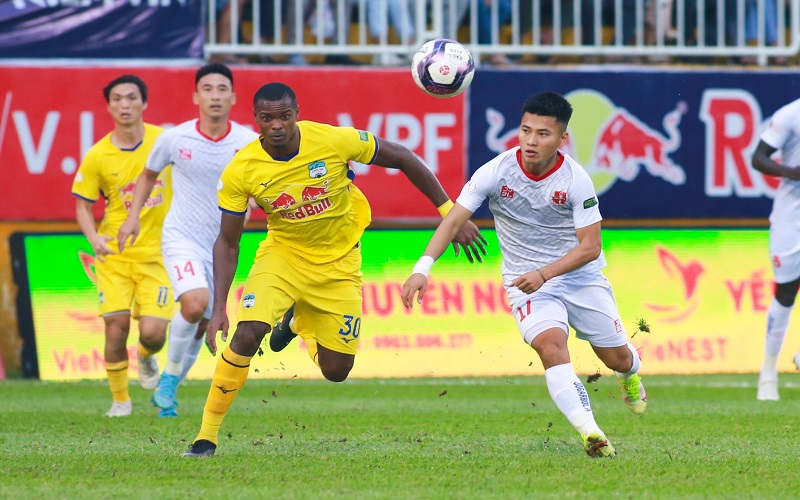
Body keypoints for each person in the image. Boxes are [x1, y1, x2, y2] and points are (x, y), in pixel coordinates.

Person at [182, 81, 487, 457]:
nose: (277, 125)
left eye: (284, 116)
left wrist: (449, 213)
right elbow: (228, 242)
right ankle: (206, 437)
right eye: (267, 118)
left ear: (297, 114)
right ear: (256, 119)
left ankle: (297, 322)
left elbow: (404, 157)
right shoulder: (241, 170)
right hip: (283, 258)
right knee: (248, 334)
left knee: (337, 370)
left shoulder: (332, 140)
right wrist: (219, 308)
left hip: (340, 262)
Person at [401, 91, 647, 458]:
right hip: (526, 284)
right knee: (550, 345)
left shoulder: (576, 180)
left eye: (543, 134)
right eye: (525, 130)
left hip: (580, 278)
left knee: (617, 359)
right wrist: (422, 269)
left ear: (562, 139)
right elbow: (453, 221)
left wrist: (545, 273)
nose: (531, 141)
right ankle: (591, 432)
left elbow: (590, 247)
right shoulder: (495, 171)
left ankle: (629, 375)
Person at [118, 64, 259, 418]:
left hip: (222, 247)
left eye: (222, 89)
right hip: (181, 237)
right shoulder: (175, 138)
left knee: (203, 324)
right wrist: (132, 217)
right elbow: (148, 176)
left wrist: (256, 202)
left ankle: (169, 390)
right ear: (196, 97)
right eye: (207, 89)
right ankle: (168, 379)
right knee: (195, 305)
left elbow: (262, 186)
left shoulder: (248, 143)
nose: (215, 96)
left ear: (233, 97)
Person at [71, 75, 172, 418]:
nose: (125, 104)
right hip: (115, 255)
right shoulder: (98, 155)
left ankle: (145, 355)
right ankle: (120, 401)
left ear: (144, 103)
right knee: (116, 326)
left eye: (131, 98)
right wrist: (94, 238)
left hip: (158, 255)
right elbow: (83, 206)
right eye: (117, 99)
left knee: (154, 334)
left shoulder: (164, 142)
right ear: (109, 106)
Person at [752, 96, 800, 401]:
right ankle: (767, 374)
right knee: (786, 291)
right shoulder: (791, 114)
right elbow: (758, 158)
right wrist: (791, 172)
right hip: (791, 216)